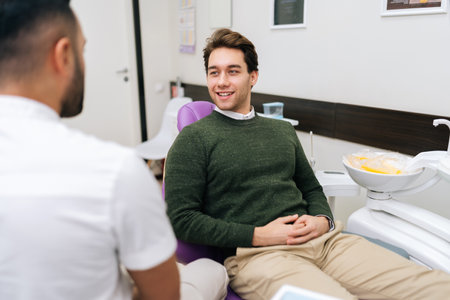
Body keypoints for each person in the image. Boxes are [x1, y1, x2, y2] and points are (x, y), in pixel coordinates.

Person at [165, 28, 450, 300]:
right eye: (214, 73)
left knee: (435, 287)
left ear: (253, 77)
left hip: (326, 244)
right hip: (259, 257)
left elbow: (311, 188)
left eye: (233, 71)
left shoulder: (281, 131)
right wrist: (258, 235)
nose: (222, 81)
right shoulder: (194, 139)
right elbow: (182, 219)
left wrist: (321, 220)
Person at [0, 1, 227, 300]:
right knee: (211, 270)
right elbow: (163, 295)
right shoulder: (114, 171)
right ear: (63, 55)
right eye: (82, 50)